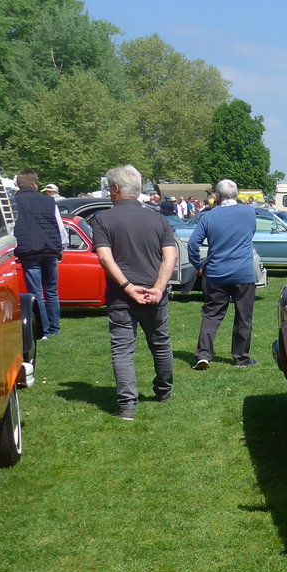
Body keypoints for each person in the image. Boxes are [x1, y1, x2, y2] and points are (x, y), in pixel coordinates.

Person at [90, 165, 176, 420]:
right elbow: (170, 257)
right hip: (153, 294)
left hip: (121, 296)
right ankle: (164, 392)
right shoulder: (158, 219)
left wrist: (127, 287)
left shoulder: (103, 219)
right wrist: (158, 288)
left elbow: (105, 259)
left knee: (122, 349)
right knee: (160, 344)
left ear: (116, 189)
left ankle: (127, 406)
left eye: (109, 187)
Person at [188, 178, 258, 370]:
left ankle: (203, 354)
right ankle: (241, 358)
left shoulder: (209, 216)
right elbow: (251, 232)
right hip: (243, 272)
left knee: (211, 314)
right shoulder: (249, 212)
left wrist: (197, 265)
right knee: (244, 316)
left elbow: (193, 244)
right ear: (237, 194)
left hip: (216, 272)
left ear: (217, 197)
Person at [12, 170, 65, 338]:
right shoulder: (49, 201)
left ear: (19, 184)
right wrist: (60, 248)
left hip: (29, 251)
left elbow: (12, 230)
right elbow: (60, 227)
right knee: (51, 291)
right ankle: (54, 329)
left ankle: (42, 331)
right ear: (35, 183)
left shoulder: (14, 203)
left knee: (36, 293)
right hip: (50, 250)